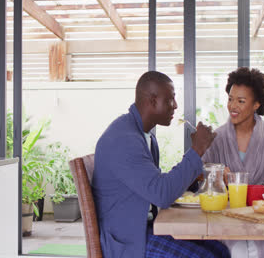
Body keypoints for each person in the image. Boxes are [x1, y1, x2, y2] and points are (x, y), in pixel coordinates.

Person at [92, 71, 230, 258]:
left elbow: (154, 186)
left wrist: (192, 175)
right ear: (152, 100)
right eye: (170, 99)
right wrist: (197, 150)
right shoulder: (124, 139)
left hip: (143, 228)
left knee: (220, 250)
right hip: (128, 242)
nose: (175, 106)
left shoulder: (144, 136)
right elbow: (162, 194)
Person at [201, 67, 264, 258]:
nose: (232, 106)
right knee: (232, 251)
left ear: (256, 104)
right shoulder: (217, 137)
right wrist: (216, 175)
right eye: (230, 99)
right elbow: (201, 176)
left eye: (241, 101)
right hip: (226, 220)